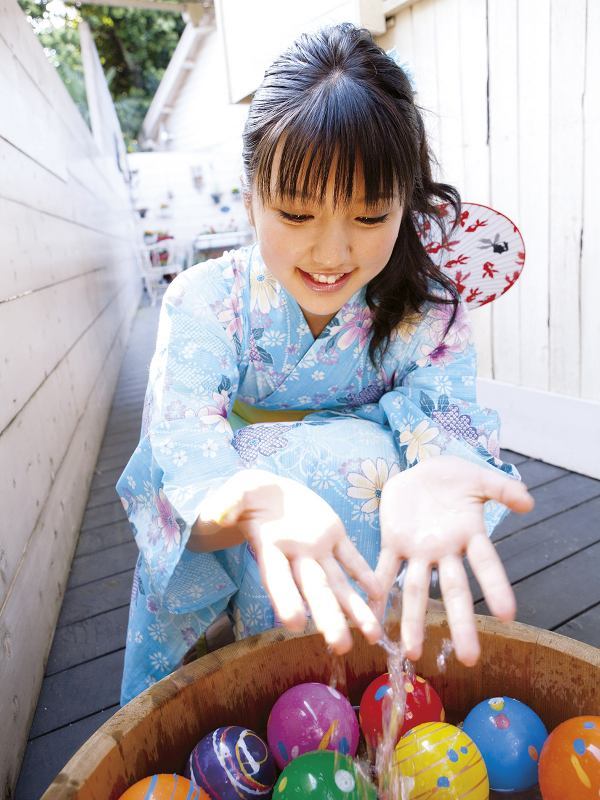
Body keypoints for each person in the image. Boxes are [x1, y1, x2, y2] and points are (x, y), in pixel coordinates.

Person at [116, 22, 534, 706]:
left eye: (371, 217)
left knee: (369, 473)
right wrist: (253, 495)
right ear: (249, 195)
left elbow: (445, 418)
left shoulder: (425, 308)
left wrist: (437, 466)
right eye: (296, 212)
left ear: (406, 202)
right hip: (244, 513)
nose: (332, 253)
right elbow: (185, 449)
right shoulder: (205, 301)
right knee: (199, 700)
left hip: (365, 520)